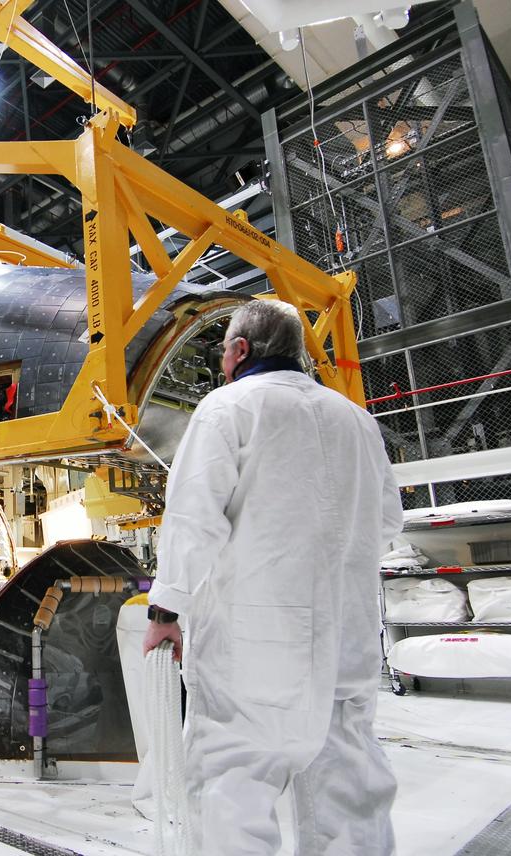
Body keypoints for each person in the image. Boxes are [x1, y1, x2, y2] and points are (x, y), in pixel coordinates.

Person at [143, 300, 403, 855]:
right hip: (348, 638)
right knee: (351, 785)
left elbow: (193, 519)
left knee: (234, 778)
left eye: (222, 351)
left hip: (255, 644)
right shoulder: (355, 419)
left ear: (240, 350)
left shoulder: (228, 408)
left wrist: (165, 611)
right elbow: (385, 522)